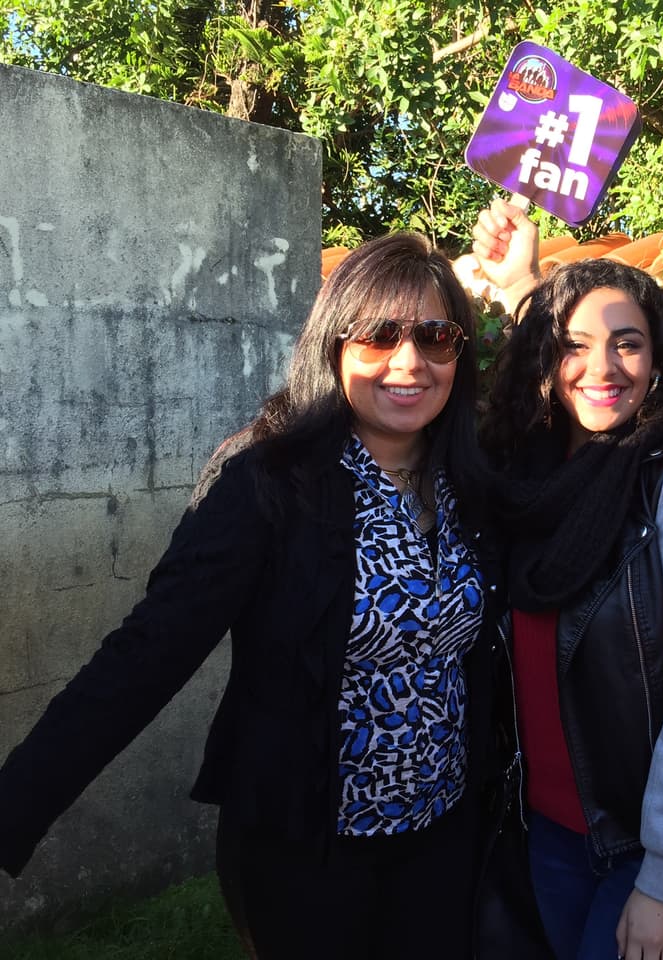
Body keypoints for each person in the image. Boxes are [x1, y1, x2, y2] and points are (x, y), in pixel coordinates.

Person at [0, 231, 504, 958]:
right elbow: (145, 654)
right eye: (379, 335)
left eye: (434, 336)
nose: (408, 361)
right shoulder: (269, 485)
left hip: (441, 837)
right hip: (309, 852)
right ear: (332, 344)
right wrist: (15, 802)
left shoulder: (473, 482)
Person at [472, 200, 663, 960]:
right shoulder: (535, 475)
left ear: (659, 358)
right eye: (572, 346)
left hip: (661, 838)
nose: (600, 369)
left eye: (627, 345)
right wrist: (521, 286)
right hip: (554, 826)